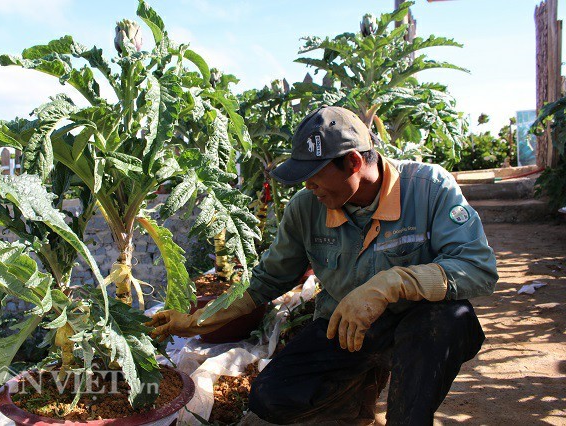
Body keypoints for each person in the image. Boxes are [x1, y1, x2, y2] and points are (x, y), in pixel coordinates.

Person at [147, 105, 498, 425]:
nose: (307, 185)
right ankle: (356, 400)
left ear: (354, 163)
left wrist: (391, 284)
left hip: (417, 327)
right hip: (344, 330)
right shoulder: (306, 208)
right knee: (271, 398)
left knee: (448, 321)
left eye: (314, 174)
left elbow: (477, 268)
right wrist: (197, 322)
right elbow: (265, 281)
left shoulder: (428, 188)